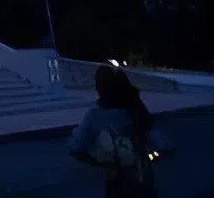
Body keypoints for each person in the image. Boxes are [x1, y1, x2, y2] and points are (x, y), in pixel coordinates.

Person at [68, 66, 168, 197]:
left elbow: (75, 147)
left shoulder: (94, 115)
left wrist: (97, 161)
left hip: (116, 183)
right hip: (142, 181)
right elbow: (163, 145)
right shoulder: (135, 109)